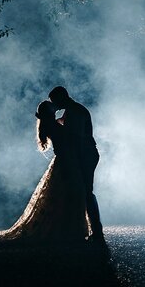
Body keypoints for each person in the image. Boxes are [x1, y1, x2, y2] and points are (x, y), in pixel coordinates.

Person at [0, 100, 89, 244]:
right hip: (65, 162)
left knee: (60, 197)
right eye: (52, 108)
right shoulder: (53, 126)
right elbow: (68, 135)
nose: (55, 107)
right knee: (66, 195)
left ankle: (64, 230)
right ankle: (67, 230)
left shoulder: (49, 125)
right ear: (50, 112)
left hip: (62, 162)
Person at [49, 86, 103, 242]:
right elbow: (64, 125)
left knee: (87, 191)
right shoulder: (72, 109)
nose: (55, 105)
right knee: (84, 191)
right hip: (83, 153)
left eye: (55, 101)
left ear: (62, 97)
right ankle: (93, 230)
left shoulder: (75, 111)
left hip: (84, 154)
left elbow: (75, 136)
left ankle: (97, 231)